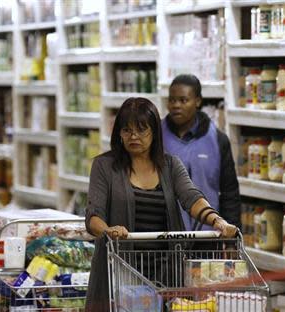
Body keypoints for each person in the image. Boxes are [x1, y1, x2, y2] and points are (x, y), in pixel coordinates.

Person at [84, 97, 238, 311]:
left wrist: (217, 221)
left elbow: (191, 197)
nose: (133, 136)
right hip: (120, 271)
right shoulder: (104, 166)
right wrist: (108, 230)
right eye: (126, 130)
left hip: (165, 270)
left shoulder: (170, 165)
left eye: (141, 130)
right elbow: (93, 214)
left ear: (155, 132)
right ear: (118, 133)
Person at [162, 74, 241, 231]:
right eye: (172, 100)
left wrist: (232, 234)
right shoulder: (155, 137)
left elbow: (229, 193)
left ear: (197, 101)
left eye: (183, 100)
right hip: (165, 235)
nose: (176, 105)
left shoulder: (218, 140)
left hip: (208, 234)